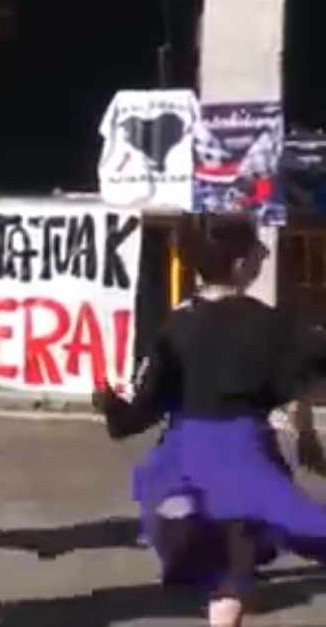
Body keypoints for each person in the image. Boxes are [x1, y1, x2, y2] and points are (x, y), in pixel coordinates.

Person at [93, 215, 326, 627]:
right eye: (259, 248)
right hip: (243, 458)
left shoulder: (176, 325)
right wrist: (306, 434)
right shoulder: (269, 324)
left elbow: (136, 416)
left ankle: (206, 566)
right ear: (240, 263)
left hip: (184, 461)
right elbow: (305, 380)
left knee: (224, 566)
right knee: (240, 563)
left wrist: (110, 405)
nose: (265, 254)